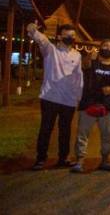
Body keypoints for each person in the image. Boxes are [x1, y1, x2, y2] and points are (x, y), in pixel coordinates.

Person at [27, 23, 84, 170]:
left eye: (73, 35)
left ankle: (63, 158)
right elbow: (41, 39)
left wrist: (78, 97)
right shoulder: (50, 50)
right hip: (50, 98)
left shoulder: (77, 55)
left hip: (69, 100)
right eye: (67, 35)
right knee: (46, 129)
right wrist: (32, 29)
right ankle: (40, 159)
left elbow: (79, 78)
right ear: (59, 36)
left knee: (65, 131)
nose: (70, 38)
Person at [71, 39, 110, 173]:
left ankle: (105, 160)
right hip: (88, 103)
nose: (108, 48)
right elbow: (83, 65)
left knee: (108, 135)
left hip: (107, 106)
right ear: (100, 48)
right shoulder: (91, 62)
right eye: (105, 45)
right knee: (82, 134)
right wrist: (88, 56)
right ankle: (79, 160)